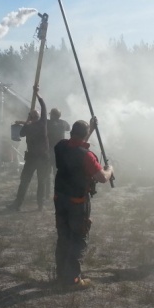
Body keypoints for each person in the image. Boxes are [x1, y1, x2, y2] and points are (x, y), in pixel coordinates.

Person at [54, 117, 113, 287]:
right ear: (84, 134)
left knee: (63, 236)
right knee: (79, 238)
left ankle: (61, 275)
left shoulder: (61, 145)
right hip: (77, 202)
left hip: (60, 198)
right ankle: (73, 279)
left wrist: (90, 129)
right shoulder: (87, 156)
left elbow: (75, 146)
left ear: (71, 132)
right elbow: (102, 178)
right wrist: (110, 170)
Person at [7, 86, 50, 211]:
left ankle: (17, 204)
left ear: (30, 118)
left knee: (24, 181)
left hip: (32, 158)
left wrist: (26, 120)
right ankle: (40, 205)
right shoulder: (43, 124)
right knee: (41, 182)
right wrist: (37, 94)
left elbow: (21, 134)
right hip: (43, 157)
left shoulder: (28, 127)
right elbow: (43, 107)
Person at [45, 107, 70, 197]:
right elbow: (68, 128)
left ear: (52, 115)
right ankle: (57, 193)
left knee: (47, 173)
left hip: (49, 151)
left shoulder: (47, 123)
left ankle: (47, 193)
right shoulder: (63, 123)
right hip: (60, 152)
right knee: (57, 173)